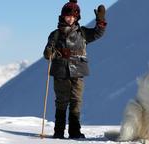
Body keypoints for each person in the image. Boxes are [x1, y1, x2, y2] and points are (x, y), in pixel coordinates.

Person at [43, 0, 107, 139]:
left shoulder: (82, 33)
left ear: (77, 17)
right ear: (63, 16)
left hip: (78, 71)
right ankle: (58, 132)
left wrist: (100, 21)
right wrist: (49, 52)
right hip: (60, 71)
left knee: (76, 101)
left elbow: (97, 34)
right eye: (68, 15)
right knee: (61, 101)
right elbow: (48, 53)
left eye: (73, 16)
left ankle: (75, 132)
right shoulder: (55, 35)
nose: (70, 18)